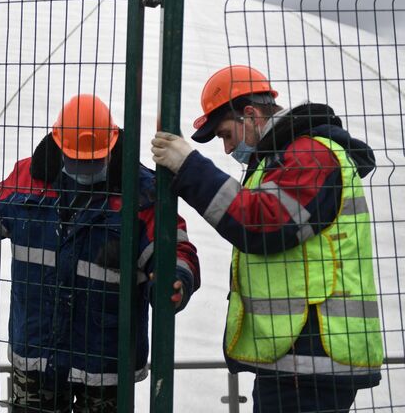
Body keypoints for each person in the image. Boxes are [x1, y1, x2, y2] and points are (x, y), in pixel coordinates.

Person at [0, 93, 200, 413]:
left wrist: (176, 277)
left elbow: (174, 246)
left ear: (112, 146)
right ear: (58, 145)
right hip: (38, 353)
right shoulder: (28, 180)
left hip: (106, 363)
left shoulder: (141, 192)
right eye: (77, 158)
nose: (85, 166)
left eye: (93, 159)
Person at [151, 65, 383, 412]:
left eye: (227, 134)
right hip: (296, 358)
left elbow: (259, 223)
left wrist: (190, 168)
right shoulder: (282, 159)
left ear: (250, 114)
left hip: (312, 360)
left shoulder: (311, 155)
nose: (228, 149)